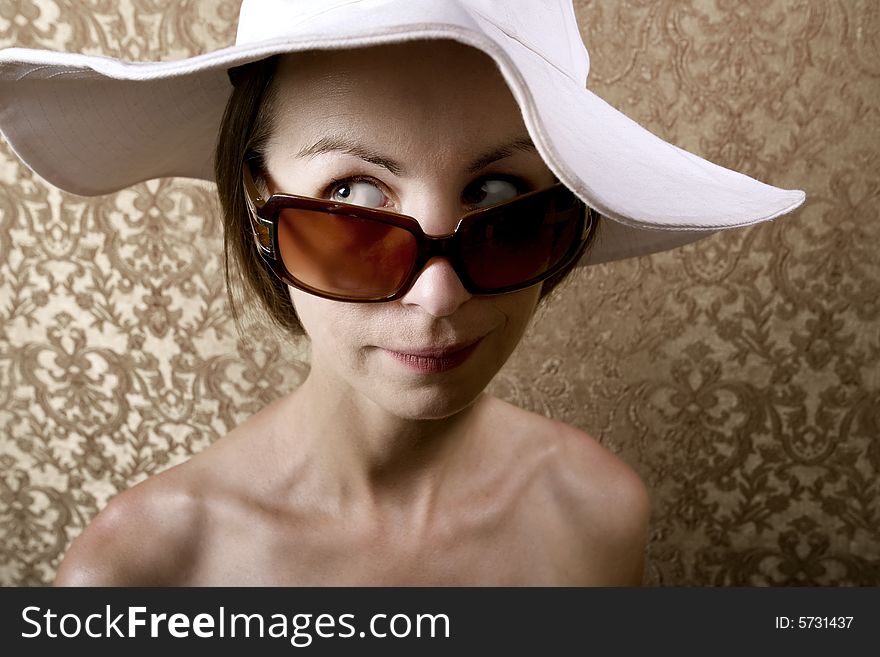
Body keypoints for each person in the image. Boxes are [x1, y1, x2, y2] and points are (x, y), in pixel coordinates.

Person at [0, 0, 804, 585]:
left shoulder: (595, 512)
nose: (439, 294)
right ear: (258, 204)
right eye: (354, 198)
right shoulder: (142, 572)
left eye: (494, 197)